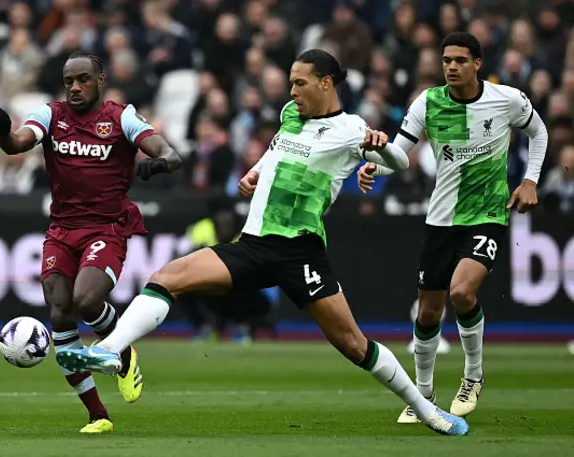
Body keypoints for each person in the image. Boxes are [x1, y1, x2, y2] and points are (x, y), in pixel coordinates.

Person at [57, 49, 469, 436]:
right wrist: (255, 172)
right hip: (253, 244)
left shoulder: (351, 130)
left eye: (300, 83)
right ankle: (111, 349)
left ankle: (428, 410)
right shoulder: (291, 114)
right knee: (169, 276)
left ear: (326, 84)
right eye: (290, 83)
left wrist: (383, 150)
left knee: (353, 344)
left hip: (299, 252)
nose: (292, 92)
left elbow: (398, 160)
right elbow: (277, 150)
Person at [357, 32, 548, 423]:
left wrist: (530, 180)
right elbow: (401, 154)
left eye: (460, 60)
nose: (451, 67)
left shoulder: (506, 99)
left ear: (477, 63)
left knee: (462, 292)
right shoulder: (427, 103)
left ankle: (473, 375)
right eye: (446, 61)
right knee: (428, 313)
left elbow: (539, 132)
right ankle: (422, 394)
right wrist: (376, 159)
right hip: (441, 219)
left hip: (487, 215)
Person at [0, 51, 182, 433]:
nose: (75, 87)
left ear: (100, 80)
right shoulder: (50, 115)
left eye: (83, 80)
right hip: (61, 231)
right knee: (60, 311)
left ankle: (123, 354)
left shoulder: (120, 117)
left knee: (86, 299)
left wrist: (158, 162)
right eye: (69, 81)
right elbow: (17, 144)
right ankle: (98, 414)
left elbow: (171, 152)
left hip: (106, 228)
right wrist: (2, 133)